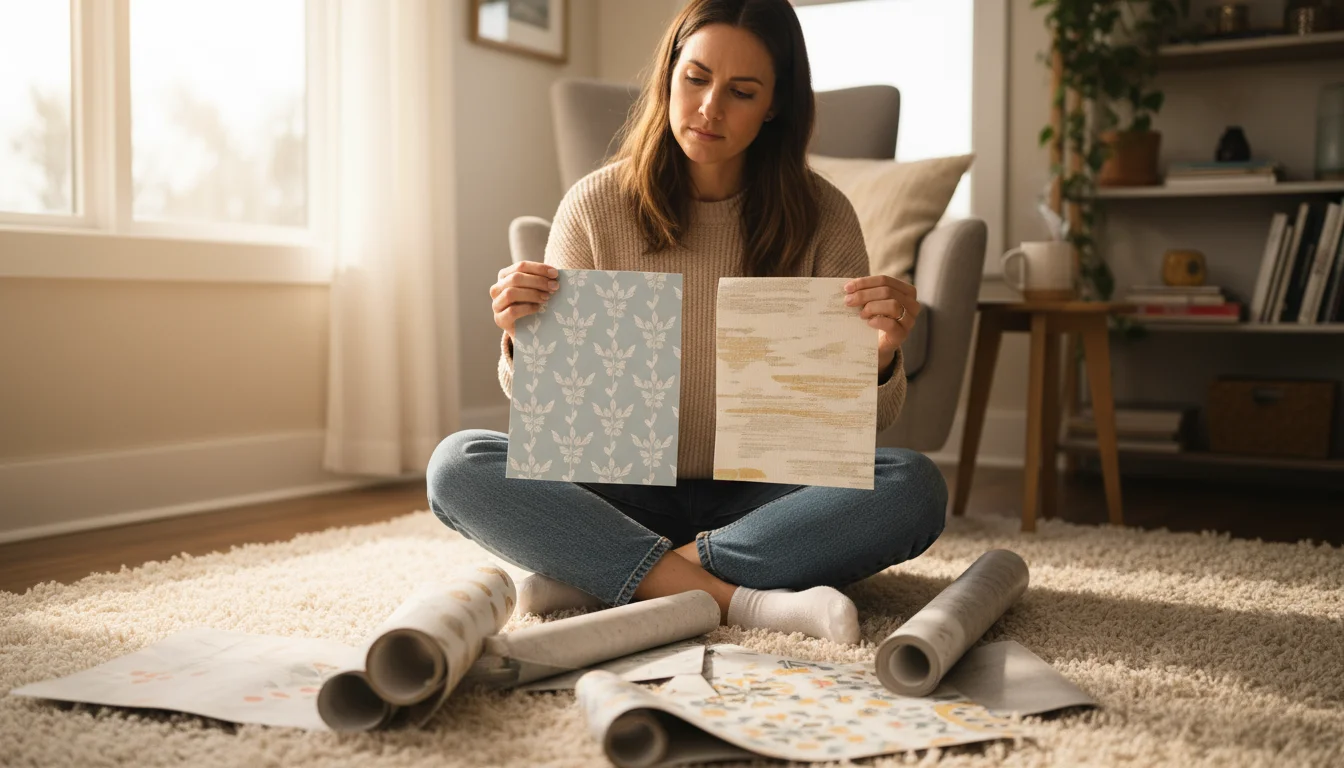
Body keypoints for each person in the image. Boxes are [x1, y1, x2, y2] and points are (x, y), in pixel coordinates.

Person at [426, 0, 946, 644]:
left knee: (913, 485)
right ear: (669, 73)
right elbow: (553, 419)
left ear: (775, 105)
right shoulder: (594, 205)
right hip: (620, 490)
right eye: (695, 78)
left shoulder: (824, 217)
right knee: (456, 465)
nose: (709, 108)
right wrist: (521, 336)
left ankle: (610, 573)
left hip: (765, 497)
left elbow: (867, 426)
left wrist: (879, 358)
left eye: (742, 91)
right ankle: (744, 602)